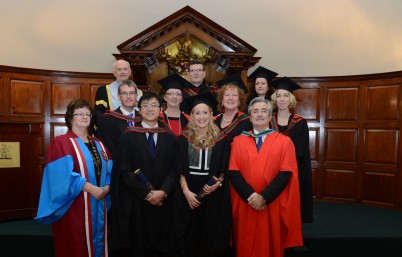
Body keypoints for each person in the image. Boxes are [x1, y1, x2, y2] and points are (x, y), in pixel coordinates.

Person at [35, 99, 112, 257]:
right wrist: (92, 189)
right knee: (76, 244)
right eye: (79, 113)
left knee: (98, 241)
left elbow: (109, 169)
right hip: (74, 205)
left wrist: (107, 187)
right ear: (70, 118)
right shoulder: (61, 143)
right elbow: (61, 176)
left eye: (87, 113)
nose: (84, 116)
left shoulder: (99, 144)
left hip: (98, 203)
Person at [228, 97, 302, 257]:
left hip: (272, 204)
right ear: (250, 117)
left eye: (264, 111)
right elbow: (233, 172)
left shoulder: (284, 141)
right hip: (246, 203)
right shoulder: (238, 141)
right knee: (245, 245)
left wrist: (264, 197)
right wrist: (251, 196)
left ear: (270, 117)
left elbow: (286, 174)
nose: (259, 114)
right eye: (255, 111)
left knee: (270, 244)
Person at [110, 92, 177, 257]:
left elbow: (175, 169)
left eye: (154, 105)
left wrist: (163, 192)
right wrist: (147, 194)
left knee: (162, 244)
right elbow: (124, 170)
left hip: (164, 201)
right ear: (139, 110)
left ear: (161, 109)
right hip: (137, 201)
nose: (150, 109)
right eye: (145, 105)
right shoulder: (128, 136)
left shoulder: (170, 138)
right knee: (138, 244)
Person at [172, 91, 232, 257]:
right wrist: (186, 192)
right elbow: (179, 169)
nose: (201, 117)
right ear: (191, 115)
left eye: (205, 112)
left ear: (212, 115)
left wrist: (217, 185)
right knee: (188, 234)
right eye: (197, 113)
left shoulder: (221, 139)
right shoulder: (183, 139)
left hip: (213, 196)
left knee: (210, 233)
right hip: (188, 195)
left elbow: (224, 170)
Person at [270, 76, 313, 223]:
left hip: (291, 173)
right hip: (269, 172)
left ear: (291, 99)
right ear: (274, 99)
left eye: (285, 95)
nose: (282, 99)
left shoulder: (300, 123)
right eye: (279, 96)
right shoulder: (268, 121)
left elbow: (300, 153)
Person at [94, 60, 143, 132]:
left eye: (125, 69)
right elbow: (99, 116)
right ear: (114, 73)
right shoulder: (104, 91)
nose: (122, 72)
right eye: (119, 69)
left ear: (129, 72)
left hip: (135, 131)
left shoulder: (139, 93)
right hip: (112, 130)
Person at [96, 80, 139, 158]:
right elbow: (108, 149)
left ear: (136, 96)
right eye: (124, 93)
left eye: (132, 93)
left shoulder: (144, 118)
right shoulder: (107, 119)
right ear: (119, 96)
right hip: (119, 166)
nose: (128, 96)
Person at [215, 74, 252, 142]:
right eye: (227, 95)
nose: (230, 98)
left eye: (234, 95)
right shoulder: (215, 121)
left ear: (239, 101)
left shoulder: (246, 121)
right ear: (222, 100)